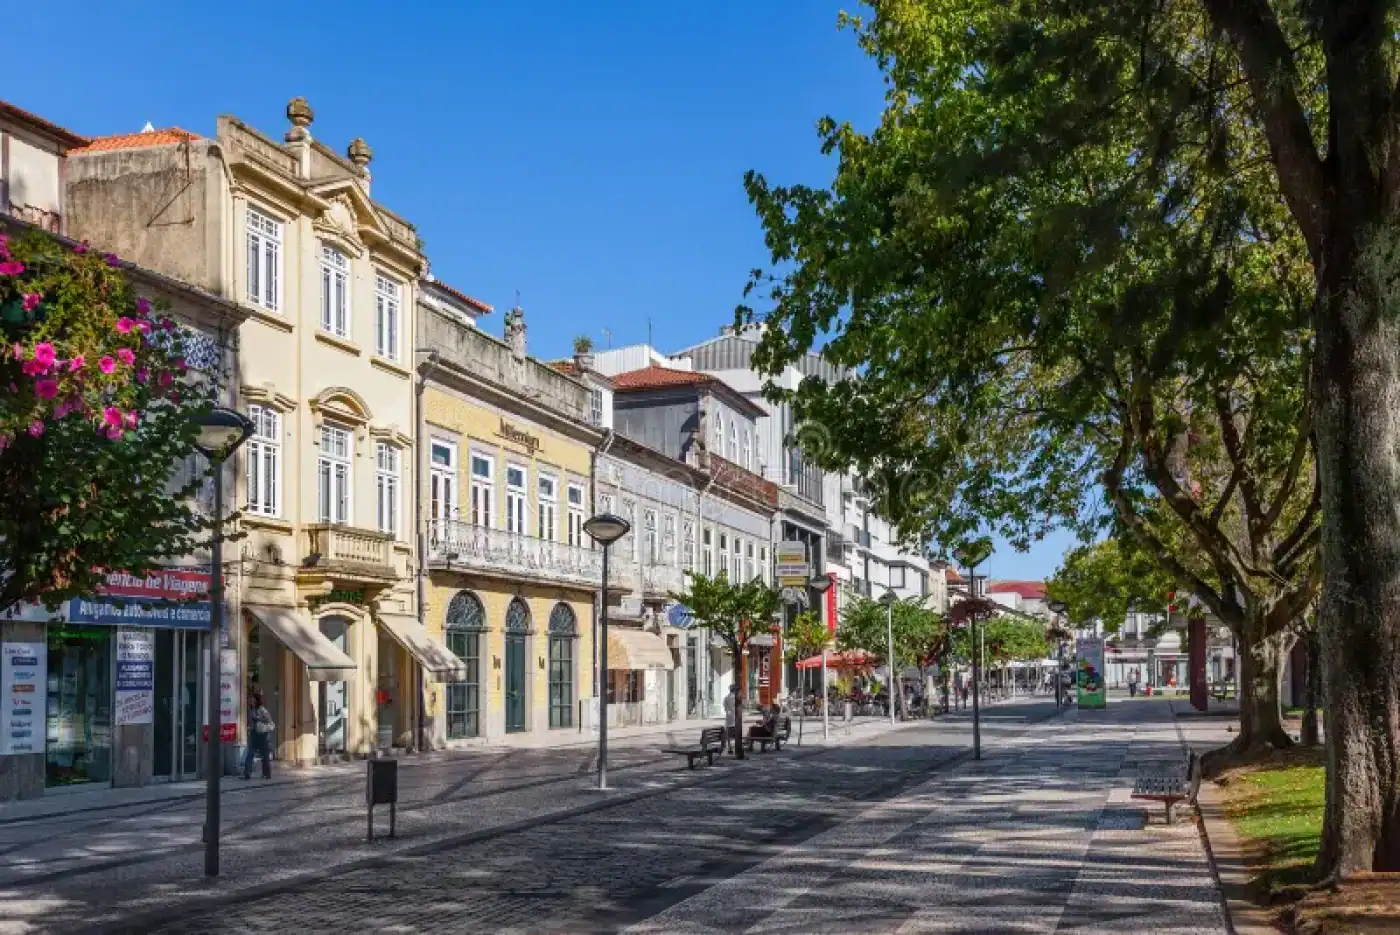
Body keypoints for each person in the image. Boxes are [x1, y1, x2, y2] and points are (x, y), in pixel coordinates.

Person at [242, 692, 275, 780]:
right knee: (250, 754)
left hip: (262, 735)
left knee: (265, 755)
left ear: (256, 700)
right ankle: (247, 773)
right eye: (250, 699)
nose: (250, 700)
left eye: (252, 699)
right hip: (254, 734)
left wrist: (257, 718)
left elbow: (267, 719)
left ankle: (267, 774)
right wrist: (249, 727)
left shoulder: (261, 709)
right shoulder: (250, 709)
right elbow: (250, 721)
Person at [723, 683, 740, 755]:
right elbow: (740, 708)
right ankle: (737, 746)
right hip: (735, 718)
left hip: (729, 718)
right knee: (736, 733)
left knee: (729, 734)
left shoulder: (726, 698)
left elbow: (725, 708)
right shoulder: (737, 698)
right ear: (735, 690)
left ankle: (730, 747)